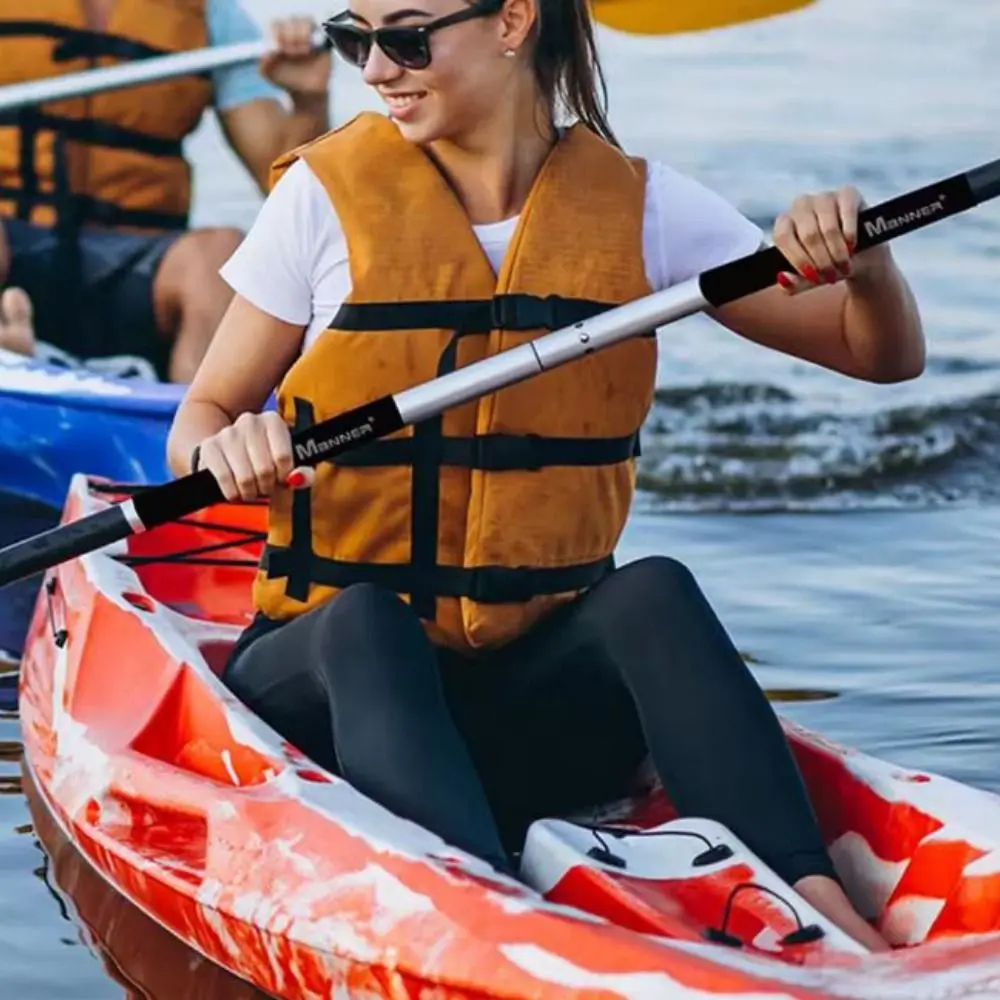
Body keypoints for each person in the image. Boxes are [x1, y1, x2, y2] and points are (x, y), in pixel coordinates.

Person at [166, 0, 925, 953]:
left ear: (514, 19)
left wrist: (867, 267)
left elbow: (877, 357)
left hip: (529, 712)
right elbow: (200, 418)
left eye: (405, 39)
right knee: (368, 620)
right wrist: (224, 451)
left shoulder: (644, 208)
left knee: (653, 593)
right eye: (353, 39)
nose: (374, 71)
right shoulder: (321, 199)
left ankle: (828, 913)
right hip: (331, 698)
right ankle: (477, 917)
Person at [0, 0, 332, 382]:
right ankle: (11, 361)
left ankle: (195, 429)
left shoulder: (212, 15)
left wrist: (308, 102)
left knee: (217, 255)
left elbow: (288, 188)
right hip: (14, 245)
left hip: (136, 266)